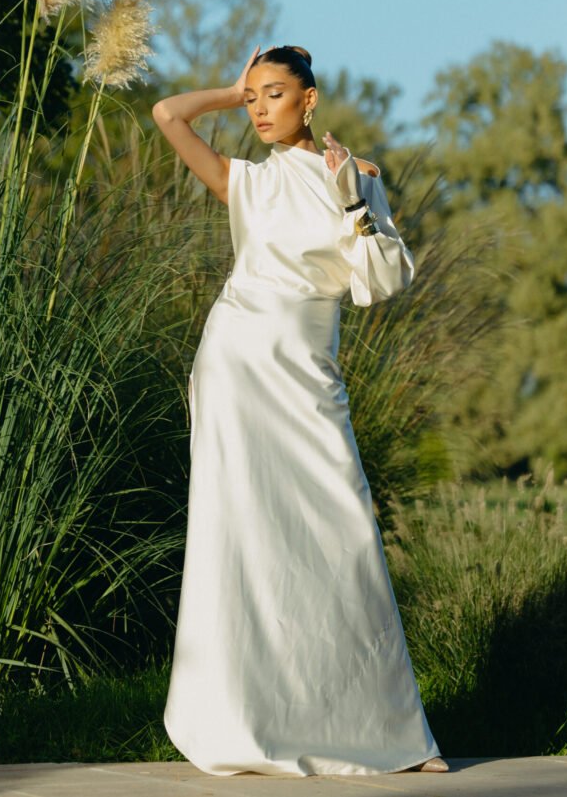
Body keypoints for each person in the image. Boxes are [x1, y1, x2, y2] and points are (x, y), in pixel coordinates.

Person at [152, 44, 446, 777]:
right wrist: (230, 87)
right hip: (238, 363)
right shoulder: (247, 179)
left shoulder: (358, 178)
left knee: (342, 533)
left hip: (309, 375)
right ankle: (241, 720)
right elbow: (166, 113)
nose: (258, 109)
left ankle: (392, 736)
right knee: (244, 536)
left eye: (273, 94)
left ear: (308, 100)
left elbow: (382, 279)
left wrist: (351, 196)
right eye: (253, 97)